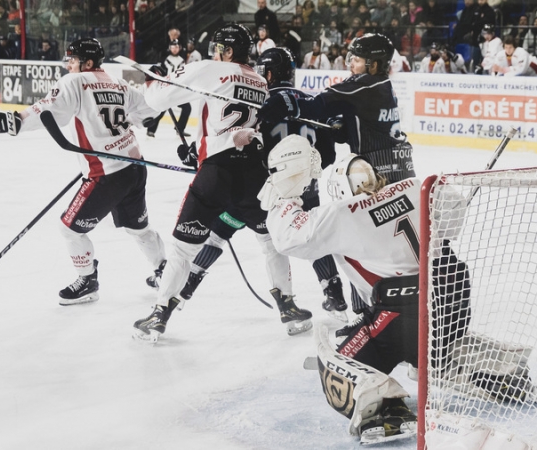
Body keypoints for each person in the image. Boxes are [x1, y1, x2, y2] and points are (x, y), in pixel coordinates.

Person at [258, 137, 464, 444]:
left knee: (337, 366)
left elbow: (290, 239)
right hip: (452, 309)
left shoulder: (344, 213)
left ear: (342, 188)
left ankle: (386, 410)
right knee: (403, 325)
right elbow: (453, 218)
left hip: (399, 320)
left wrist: (282, 195)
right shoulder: (415, 186)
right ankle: (453, 364)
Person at [133, 23, 311, 343]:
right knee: (269, 242)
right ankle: (288, 305)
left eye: (218, 48)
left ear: (227, 51)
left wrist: (154, 77)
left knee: (185, 248)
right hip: (255, 175)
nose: (215, 52)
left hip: (217, 171)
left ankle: (160, 313)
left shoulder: (209, 68)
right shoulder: (259, 81)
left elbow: (156, 100)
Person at [0, 38, 167, 306]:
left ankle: (87, 281)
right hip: (134, 167)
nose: (69, 64)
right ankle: (163, 270)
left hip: (106, 174)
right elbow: (147, 111)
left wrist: (13, 121)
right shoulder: (116, 82)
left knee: (69, 229)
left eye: (73, 59)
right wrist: (156, 85)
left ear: (87, 63)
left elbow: (47, 110)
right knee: (139, 227)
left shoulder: (73, 82)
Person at [181, 47, 347, 323]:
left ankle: (185, 288)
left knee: (221, 232)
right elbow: (328, 155)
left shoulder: (262, 101)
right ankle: (335, 296)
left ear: (267, 73)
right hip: (307, 192)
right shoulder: (314, 103)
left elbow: (241, 141)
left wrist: (196, 155)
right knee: (312, 240)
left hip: (264, 193)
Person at [261, 33, 415, 188]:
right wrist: (346, 131)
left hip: (380, 173)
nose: (351, 64)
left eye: (357, 60)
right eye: (351, 58)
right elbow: (375, 127)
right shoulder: (384, 85)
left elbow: (317, 106)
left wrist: (287, 102)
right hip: (402, 168)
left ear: (373, 65)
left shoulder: (363, 85)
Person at [144, 39, 191, 138]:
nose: (175, 49)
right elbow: (156, 71)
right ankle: (151, 130)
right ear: (169, 48)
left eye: (177, 47)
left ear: (180, 48)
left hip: (177, 90)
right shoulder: (163, 59)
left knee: (187, 107)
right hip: (166, 89)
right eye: (173, 47)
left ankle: (180, 129)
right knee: (161, 110)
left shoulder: (182, 60)